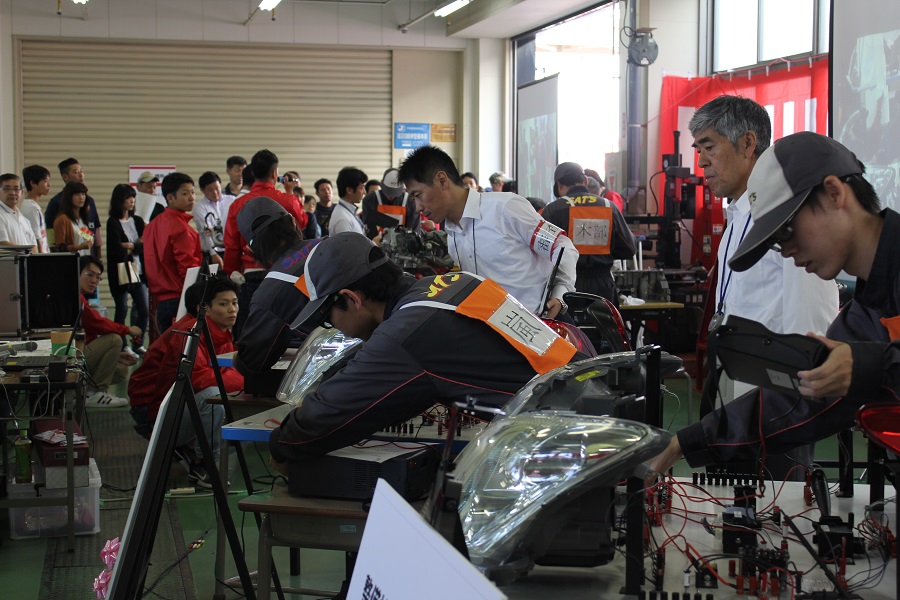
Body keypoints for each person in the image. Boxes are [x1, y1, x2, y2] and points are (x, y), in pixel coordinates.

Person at [648, 131, 896, 479]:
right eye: (776, 242)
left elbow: (866, 368)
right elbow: (803, 398)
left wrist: (872, 367)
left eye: (787, 230)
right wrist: (685, 442)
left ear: (834, 193)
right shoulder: (868, 312)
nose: (788, 252)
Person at [268, 232, 579, 465]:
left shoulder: (407, 331)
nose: (335, 327)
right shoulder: (456, 283)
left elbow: (318, 423)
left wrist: (281, 442)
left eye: (328, 318)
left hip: (558, 442)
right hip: (582, 399)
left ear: (351, 299)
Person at [398, 145, 578, 318]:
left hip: (544, 324)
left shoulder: (505, 208)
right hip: (500, 331)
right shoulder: (453, 235)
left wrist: (560, 294)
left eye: (418, 196)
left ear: (442, 180)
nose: (418, 207)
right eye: (413, 199)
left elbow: (562, 246)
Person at [128, 274, 243, 488]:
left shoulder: (220, 334)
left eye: (234, 303)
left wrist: (239, 378)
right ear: (204, 308)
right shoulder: (190, 334)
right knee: (214, 398)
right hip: (156, 414)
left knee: (227, 395)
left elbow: (228, 374)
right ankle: (204, 464)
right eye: (223, 304)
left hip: (171, 406)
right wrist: (243, 378)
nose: (232, 309)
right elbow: (198, 379)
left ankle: (190, 449)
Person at [222, 149, 308, 337]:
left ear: (252, 173)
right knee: (290, 331)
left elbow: (231, 245)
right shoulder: (287, 200)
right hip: (287, 272)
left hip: (251, 276)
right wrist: (290, 193)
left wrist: (231, 273)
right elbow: (302, 223)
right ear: (275, 173)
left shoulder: (237, 205)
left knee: (251, 331)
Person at [233, 197, 319, 376]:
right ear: (294, 223)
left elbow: (251, 361)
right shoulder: (339, 243)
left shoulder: (269, 294)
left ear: (251, 249)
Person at [542, 162, 637, 307]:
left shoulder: (554, 210)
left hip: (566, 286)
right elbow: (629, 248)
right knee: (602, 322)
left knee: (569, 322)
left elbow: (541, 251)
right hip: (603, 286)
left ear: (559, 186)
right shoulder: (608, 207)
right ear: (585, 181)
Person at [143, 172, 203, 336]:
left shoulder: (152, 226)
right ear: (170, 198)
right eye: (185, 193)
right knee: (181, 347)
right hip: (181, 298)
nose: (191, 197)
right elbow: (188, 269)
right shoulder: (181, 228)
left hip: (160, 300)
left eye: (192, 192)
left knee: (165, 345)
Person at [79, 256, 141, 408]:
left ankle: (82, 392)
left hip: (81, 355)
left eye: (98, 277)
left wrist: (115, 356)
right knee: (114, 339)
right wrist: (128, 330)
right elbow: (97, 323)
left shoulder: (82, 298)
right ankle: (94, 393)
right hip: (74, 358)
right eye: (90, 274)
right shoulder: (76, 299)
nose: (94, 281)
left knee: (121, 370)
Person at [106, 184, 149, 355]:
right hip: (120, 272)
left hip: (139, 271)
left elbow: (145, 245)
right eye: (128, 197)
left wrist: (130, 246)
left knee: (143, 309)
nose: (132, 201)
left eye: (133, 197)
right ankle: (122, 344)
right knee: (122, 309)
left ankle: (137, 342)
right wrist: (136, 245)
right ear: (119, 200)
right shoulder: (112, 222)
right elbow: (116, 249)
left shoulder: (137, 220)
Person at [45, 158, 102, 258]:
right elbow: (55, 242)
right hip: (70, 261)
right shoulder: (57, 206)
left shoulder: (82, 214)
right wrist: (79, 247)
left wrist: (97, 255)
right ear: (65, 177)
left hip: (87, 259)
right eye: (76, 172)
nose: (81, 175)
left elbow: (91, 232)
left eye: (81, 171)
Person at [361, 168, 420, 240]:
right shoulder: (370, 200)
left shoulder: (410, 202)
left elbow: (413, 232)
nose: (391, 196)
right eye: (388, 191)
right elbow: (368, 231)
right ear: (381, 183)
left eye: (395, 192)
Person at [193, 171, 231, 262]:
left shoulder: (231, 200)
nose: (215, 192)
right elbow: (205, 232)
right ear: (202, 190)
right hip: (212, 253)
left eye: (217, 188)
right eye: (210, 190)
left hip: (230, 249)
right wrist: (213, 253)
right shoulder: (199, 207)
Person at [52, 182, 95, 256]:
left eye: (83, 194)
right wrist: (78, 247)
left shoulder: (81, 218)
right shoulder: (62, 219)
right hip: (73, 261)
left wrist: (91, 239)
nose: (81, 197)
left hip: (85, 260)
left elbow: (89, 237)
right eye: (77, 194)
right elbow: (59, 247)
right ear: (69, 197)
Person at [0, 173, 37, 251]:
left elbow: (34, 248)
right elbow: (2, 244)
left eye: (16, 189)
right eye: (7, 188)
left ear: (22, 192)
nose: (12, 193)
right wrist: (27, 252)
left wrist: (31, 253)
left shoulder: (24, 220)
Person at [328, 167, 368, 235]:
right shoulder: (343, 219)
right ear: (349, 190)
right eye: (362, 187)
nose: (364, 192)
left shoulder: (347, 212)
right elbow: (346, 242)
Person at [21, 165, 51, 253]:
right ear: (33, 183)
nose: (49, 185)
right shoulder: (31, 208)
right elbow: (37, 239)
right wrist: (41, 258)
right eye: (45, 181)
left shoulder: (32, 206)